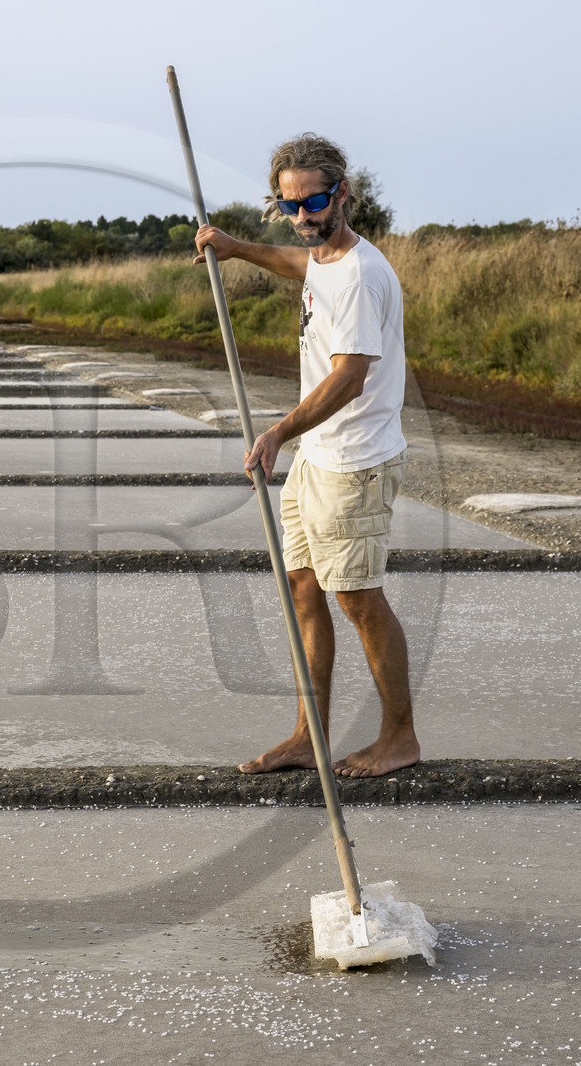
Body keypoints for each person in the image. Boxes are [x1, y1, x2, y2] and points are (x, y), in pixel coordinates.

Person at [193, 133, 419, 779]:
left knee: (358, 598)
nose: (303, 217)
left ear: (343, 193)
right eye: (289, 206)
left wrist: (278, 431)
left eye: (314, 201)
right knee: (304, 588)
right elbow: (301, 264)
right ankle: (306, 735)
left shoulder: (364, 274)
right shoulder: (323, 257)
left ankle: (399, 736)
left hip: (356, 460)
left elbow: (350, 376)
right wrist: (236, 248)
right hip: (317, 460)